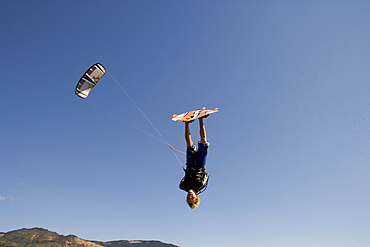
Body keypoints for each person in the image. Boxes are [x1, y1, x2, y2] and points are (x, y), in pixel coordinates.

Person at [179, 117, 210, 209]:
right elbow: (207, 175)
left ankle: (187, 123)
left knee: (189, 145)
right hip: (200, 164)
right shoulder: (201, 186)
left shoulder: (182, 186)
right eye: (192, 198)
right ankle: (201, 119)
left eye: (188, 198)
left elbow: (183, 179)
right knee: (203, 142)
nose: (190, 196)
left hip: (190, 164)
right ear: (197, 197)